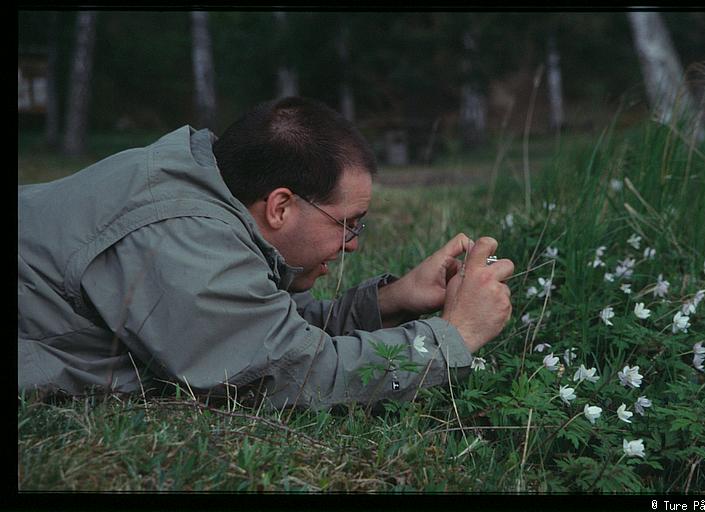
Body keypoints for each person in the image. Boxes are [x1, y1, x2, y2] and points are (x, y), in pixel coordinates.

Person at [18, 96, 514, 409]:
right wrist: (454, 336)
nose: (355, 242)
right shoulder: (185, 241)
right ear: (280, 207)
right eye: (348, 223)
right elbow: (287, 373)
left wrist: (390, 302)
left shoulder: (204, 189)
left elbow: (261, 325)